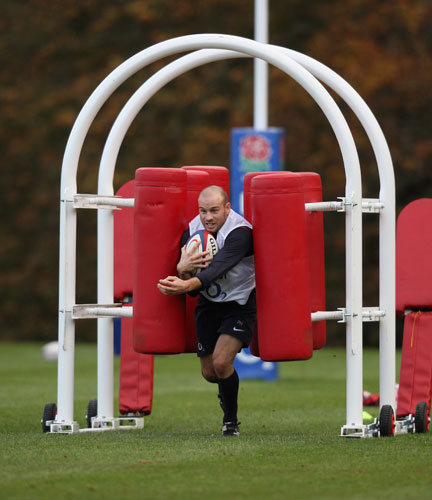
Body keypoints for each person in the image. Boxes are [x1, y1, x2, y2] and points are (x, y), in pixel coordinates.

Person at [157, 185, 256, 436]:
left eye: (214, 210)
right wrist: (182, 269)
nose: (208, 217)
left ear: (227, 208)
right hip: (208, 304)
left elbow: (216, 269)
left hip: (239, 303)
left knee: (222, 362)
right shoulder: (192, 232)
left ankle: (230, 422)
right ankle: (226, 391)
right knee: (210, 373)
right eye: (203, 211)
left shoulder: (240, 233)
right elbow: (191, 288)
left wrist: (184, 281)